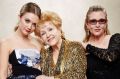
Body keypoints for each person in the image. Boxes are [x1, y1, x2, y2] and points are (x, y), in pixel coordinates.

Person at [34, 11, 87, 79]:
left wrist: (51, 78)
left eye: (50, 29)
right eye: (43, 33)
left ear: (59, 28)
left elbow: (79, 75)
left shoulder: (75, 47)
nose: (48, 35)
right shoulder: (44, 54)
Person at [0, 2, 42, 79]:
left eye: (34, 24)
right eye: (27, 21)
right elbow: (2, 75)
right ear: (19, 17)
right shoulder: (6, 42)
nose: (30, 27)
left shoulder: (39, 42)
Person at [82, 5, 120, 79]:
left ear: (106, 23)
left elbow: (111, 57)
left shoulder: (116, 38)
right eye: (93, 21)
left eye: (101, 21)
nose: (97, 25)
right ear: (87, 24)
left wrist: (87, 46)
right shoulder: (82, 49)